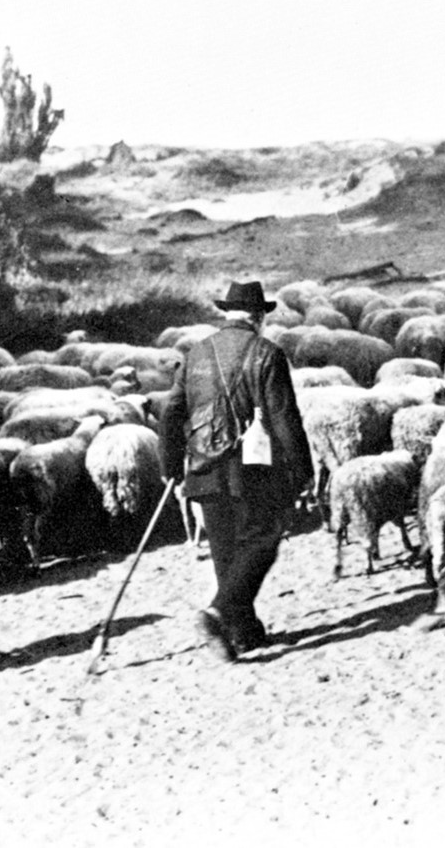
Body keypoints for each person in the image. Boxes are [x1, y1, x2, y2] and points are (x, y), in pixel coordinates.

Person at [160, 280, 313, 661]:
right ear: (259, 317)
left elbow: (170, 412)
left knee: (226, 552)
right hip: (252, 469)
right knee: (262, 540)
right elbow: (283, 418)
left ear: (227, 313)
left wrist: (170, 466)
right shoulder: (267, 353)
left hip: (202, 467)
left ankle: (243, 634)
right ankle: (216, 614)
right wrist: (303, 469)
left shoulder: (194, 354)